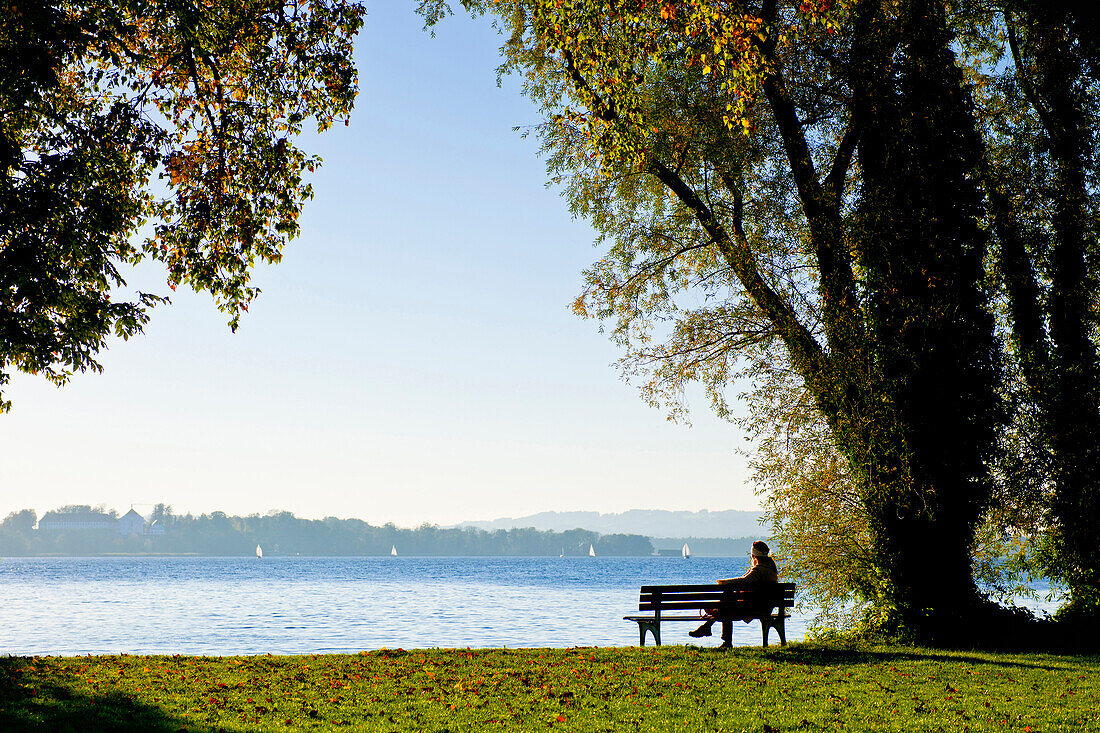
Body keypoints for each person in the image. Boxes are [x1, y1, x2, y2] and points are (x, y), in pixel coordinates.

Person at [688, 540, 779, 648]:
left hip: (755, 608)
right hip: (763, 607)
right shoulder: (771, 569)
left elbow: (743, 580)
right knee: (726, 606)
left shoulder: (758, 571)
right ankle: (711, 629)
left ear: (754, 554)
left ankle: (715, 632)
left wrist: (725, 582)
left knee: (725, 608)